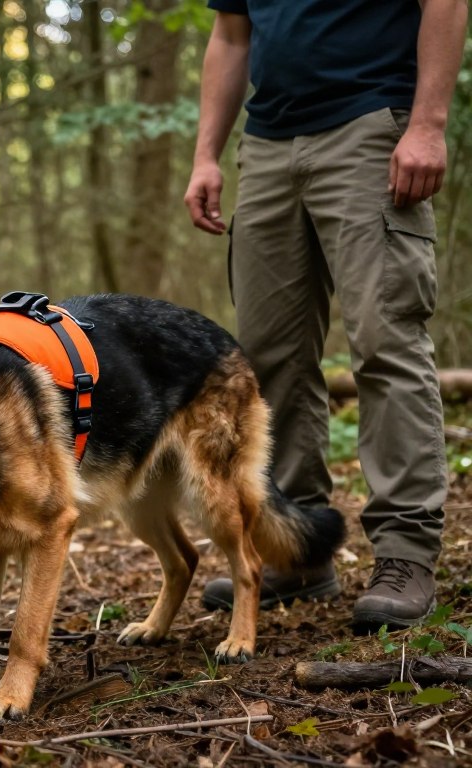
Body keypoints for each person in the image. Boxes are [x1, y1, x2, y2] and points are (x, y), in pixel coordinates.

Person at [184, 0, 469, 629]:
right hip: (266, 143)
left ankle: (405, 551)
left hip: (371, 126)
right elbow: (230, 35)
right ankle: (299, 547)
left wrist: (427, 124)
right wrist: (206, 155)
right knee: (267, 358)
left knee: (385, 342)